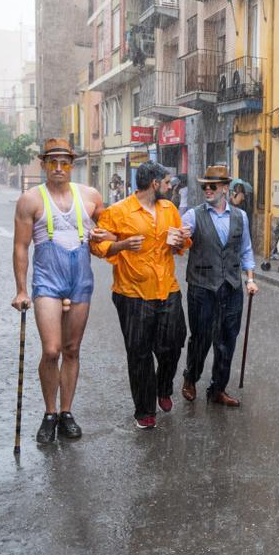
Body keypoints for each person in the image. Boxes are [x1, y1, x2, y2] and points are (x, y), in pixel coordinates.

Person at [11, 138, 105, 444]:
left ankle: (66, 413)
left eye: (65, 162)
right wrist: (21, 290)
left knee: (72, 349)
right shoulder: (30, 200)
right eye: (53, 162)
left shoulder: (91, 196)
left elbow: (108, 235)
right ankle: (49, 413)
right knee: (52, 350)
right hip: (47, 282)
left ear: (72, 164)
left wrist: (110, 238)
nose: (59, 168)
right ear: (43, 165)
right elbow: (21, 246)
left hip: (81, 281)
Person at [91, 161, 189, 430]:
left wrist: (182, 241)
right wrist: (122, 244)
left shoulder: (169, 209)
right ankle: (145, 409)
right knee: (140, 353)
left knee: (173, 343)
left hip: (167, 288)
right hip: (132, 293)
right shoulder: (119, 211)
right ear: (155, 184)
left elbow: (180, 243)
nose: (171, 187)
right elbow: (96, 244)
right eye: (168, 183)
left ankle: (163, 386)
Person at [179, 165, 258, 408]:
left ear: (225, 188)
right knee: (201, 338)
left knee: (227, 340)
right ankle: (191, 378)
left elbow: (245, 249)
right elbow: (182, 240)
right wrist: (179, 238)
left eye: (212, 185)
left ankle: (217, 388)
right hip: (202, 287)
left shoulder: (240, 217)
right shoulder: (193, 215)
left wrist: (250, 278)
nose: (208, 190)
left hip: (232, 287)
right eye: (205, 186)